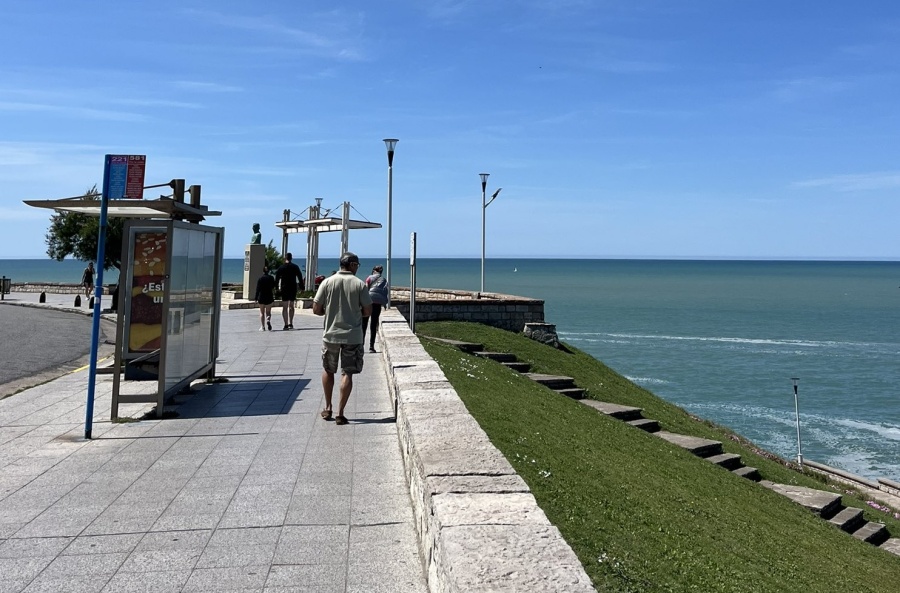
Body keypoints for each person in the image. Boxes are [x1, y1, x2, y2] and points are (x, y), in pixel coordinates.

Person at [312, 252, 372, 426]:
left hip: (331, 334)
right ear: (352, 265)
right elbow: (368, 311)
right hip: (352, 336)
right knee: (347, 373)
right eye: (357, 265)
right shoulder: (359, 284)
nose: (357, 268)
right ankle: (340, 412)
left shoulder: (327, 282)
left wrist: (329, 313)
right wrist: (354, 313)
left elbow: (316, 309)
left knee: (328, 369)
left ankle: (328, 406)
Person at [362, 264, 389, 353]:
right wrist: (385, 303)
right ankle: (371, 346)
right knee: (373, 325)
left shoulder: (369, 278)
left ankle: (361, 346)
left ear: (374, 271)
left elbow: (365, 289)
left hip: (368, 302)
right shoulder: (384, 280)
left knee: (364, 324)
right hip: (377, 304)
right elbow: (385, 292)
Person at [275, 252, 304, 330]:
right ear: (291, 258)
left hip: (284, 288)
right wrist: (302, 287)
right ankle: (291, 323)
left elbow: (277, 278)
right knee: (291, 306)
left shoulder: (281, 267)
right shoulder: (295, 267)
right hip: (292, 288)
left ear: (285, 258)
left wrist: (276, 287)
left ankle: (286, 324)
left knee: (284, 307)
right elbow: (300, 277)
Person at [254, 266, 276, 331]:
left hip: (261, 297)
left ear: (263, 271)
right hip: (269, 296)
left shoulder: (260, 279)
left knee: (261, 312)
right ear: (268, 271)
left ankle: (263, 327)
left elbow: (257, 289)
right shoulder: (271, 278)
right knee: (268, 312)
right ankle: (268, 319)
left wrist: (256, 297)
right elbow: (273, 286)